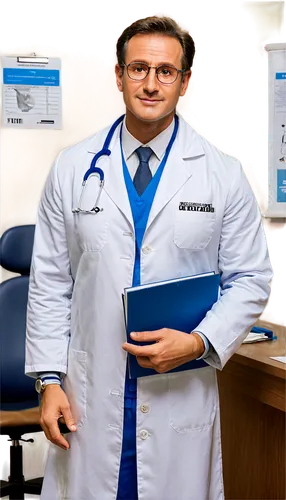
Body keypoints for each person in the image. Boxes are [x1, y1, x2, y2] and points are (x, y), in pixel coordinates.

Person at [25, 12, 274, 500]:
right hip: (90, 397)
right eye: (138, 69)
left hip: (178, 393)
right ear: (118, 76)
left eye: (166, 72)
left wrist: (201, 342)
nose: (151, 84)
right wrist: (49, 381)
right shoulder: (72, 167)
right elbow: (50, 281)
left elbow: (251, 278)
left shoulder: (222, 176)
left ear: (185, 83)